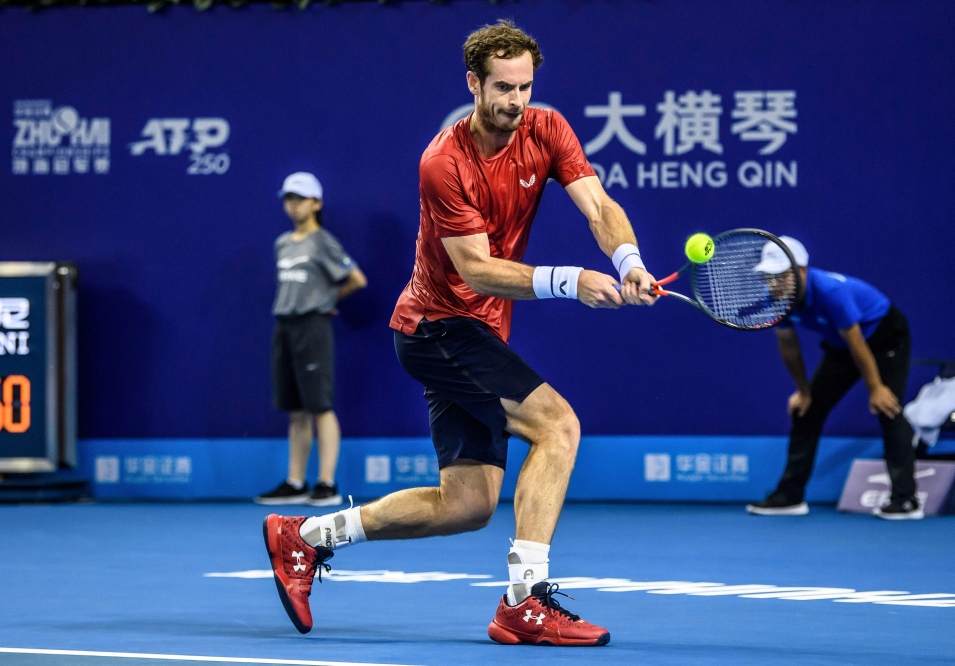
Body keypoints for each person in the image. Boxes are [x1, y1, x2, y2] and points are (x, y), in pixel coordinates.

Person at [262, 21, 658, 644]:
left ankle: (305, 536)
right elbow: (475, 268)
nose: (517, 101)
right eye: (503, 87)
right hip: (438, 328)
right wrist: (573, 281)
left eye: (526, 86)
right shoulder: (442, 162)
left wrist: (627, 261)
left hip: (475, 333)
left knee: (468, 504)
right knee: (558, 426)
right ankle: (523, 602)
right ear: (473, 83)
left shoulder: (547, 129)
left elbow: (598, 203)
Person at [746, 236, 921, 520]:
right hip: (843, 345)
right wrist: (803, 391)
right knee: (807, 410)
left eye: (781, 276)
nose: (774, 284)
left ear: (802, 271)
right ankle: (789, 496)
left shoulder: (830, 292)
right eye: (768, 276)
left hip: (884, 336)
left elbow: (857, 343)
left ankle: (906, 499)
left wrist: (875, 388)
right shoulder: (776, 300)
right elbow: (789, 346)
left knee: (888, 408)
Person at [255, 172, 367, 507]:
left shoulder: (323, 242)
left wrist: (327, 303)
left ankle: (327, 484)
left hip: (313, 328)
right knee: (296, 409)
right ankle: (295, 482)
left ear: (316, 203)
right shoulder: (282, 243)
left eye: (300, 198)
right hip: (285, 327)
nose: (293, 205)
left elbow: (356, 279)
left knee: (320, 405)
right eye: (289, 198)